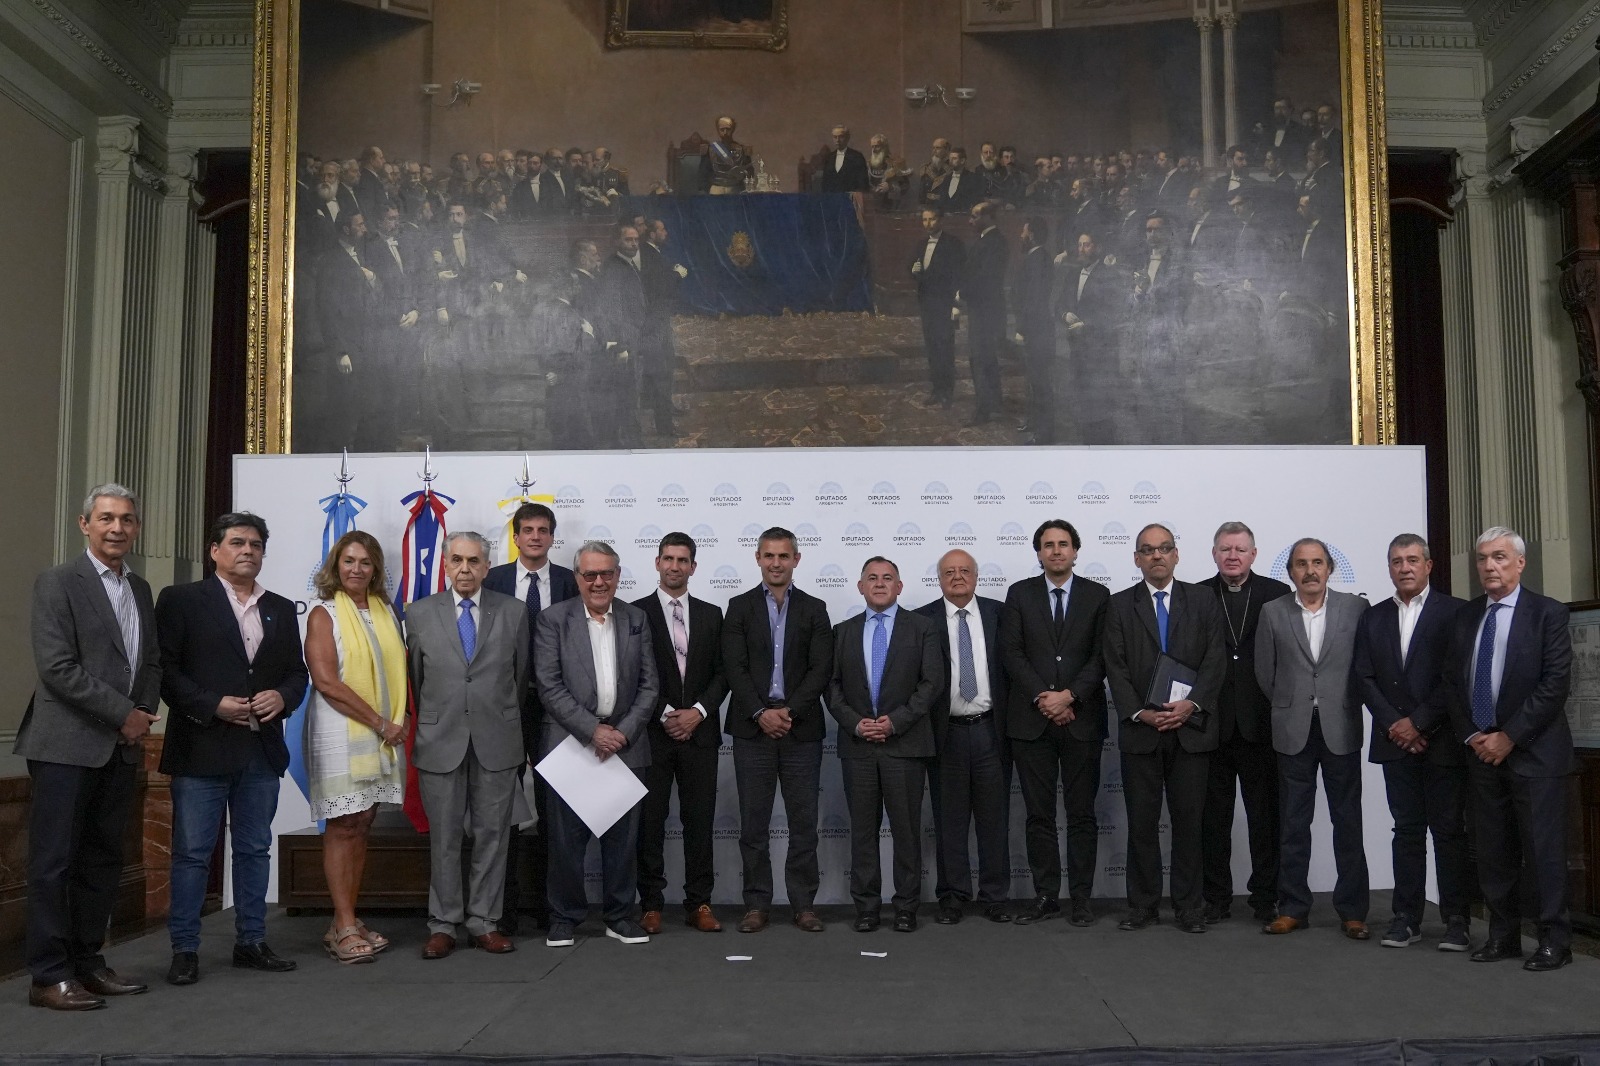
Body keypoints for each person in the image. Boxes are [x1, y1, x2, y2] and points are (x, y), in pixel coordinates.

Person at [18, 484, 160, 1010]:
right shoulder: (57, 583)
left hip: (119, 749)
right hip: (64, 746)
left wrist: (141, 713)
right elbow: (57, 670)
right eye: (106, 518)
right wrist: (124, 714)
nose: (117, 528)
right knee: (54, 862)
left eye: (126, 519)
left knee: (102, 861)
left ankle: (86, 963)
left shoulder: (140, 589)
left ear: (136, 528)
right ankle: (47, 975)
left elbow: (149, 662)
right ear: (85, 524)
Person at [157, 512, 309, 984]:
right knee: (192, 854)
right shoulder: (181, 600)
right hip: (201, 746)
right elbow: (164, 671)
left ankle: (252, 941)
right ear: (215, 550)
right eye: (238, 542)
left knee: (253, 850)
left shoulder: (280, 608)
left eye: (256, 544)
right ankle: (184, 949)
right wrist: (211, 705)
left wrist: (282, 696)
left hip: (259, 750)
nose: (248, 550)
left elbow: (296, 674)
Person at [1443, 527, 1575, 970]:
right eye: (1482, 559)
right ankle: (1503, 937)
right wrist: (1474, 735)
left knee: (1543, 855)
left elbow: (1554, 684)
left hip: (1534, 754)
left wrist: (1509, 736)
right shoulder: (1466, 618)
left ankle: (1554, 941)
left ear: (1520, 563)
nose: (1489, 566)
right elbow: (1452, 685)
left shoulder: (1548, 614)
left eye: (1499, 557)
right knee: (1493, 852)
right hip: (1481, 752)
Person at [406, 531, 528, 959]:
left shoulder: (514, 611)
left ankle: (484, 922)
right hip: (440, 740)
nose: (465, 569)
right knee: (444, 838)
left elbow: (521, 675)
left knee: (493, 837)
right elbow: (416, 684)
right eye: (456, 560)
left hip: (498, 739)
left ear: (487, 567)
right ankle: (443, 924)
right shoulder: (417, 613)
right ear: (444, 564)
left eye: (474, 561)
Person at [536, 541, 661, 947]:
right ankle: (564, 917)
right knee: (565, 840)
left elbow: (649, 685)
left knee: (623, 840)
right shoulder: (553, 619)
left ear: (618, 575)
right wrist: (593, 730)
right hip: (571, 746)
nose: (598, 581)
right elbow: (549, 686)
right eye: (590, 574)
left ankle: (621, 916)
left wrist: (621, 731)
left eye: (606, 573)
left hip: (626, 743)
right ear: (577, 578)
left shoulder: (637, 618)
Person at [1103, 523, 1226, 933]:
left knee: (1190, 824)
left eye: (1164, 548)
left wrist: (1191, 705)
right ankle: (1143, 905)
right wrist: (1140, 713)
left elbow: (1215, 659)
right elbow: (1114, 666)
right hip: (1142, 732)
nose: (1157, 556)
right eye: (1148, 550)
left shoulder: (1204, 599)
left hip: (1191, 731)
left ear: (1177, 555)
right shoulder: (1119, 605)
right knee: (1141, 823)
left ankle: (1190, 907)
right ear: (1136, 559)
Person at [1352, 533, 1470, 951]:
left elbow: (1454, 679)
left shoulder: (1456, 613)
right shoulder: (1374, 616)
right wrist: (1395, 726)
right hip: (1394, 743)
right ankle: (1407, 918)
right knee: (1405, 831)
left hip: (1442, 742)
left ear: (1429, 565)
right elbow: (1363, 677)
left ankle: (1457, 919)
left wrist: (1419, 723)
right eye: (1397, 561)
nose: (1404, 567)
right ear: (1389, 568)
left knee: (1449, 832)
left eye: (1412, 560)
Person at [1255, 538, 1371, 939]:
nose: (1310, 571)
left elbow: (1364, 668)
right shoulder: (1272, 612)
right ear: (1290, 572)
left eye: (1317, 562)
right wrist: (1294, 705)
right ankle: (1293, 908)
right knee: (1292, 824)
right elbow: (1265, 674)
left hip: (1341, 727)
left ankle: (1353, 912)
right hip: (1293, 730)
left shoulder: (1356, 609)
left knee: (1348, 823)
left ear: (1329, 569)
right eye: (1301, 564)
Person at [302, 531, 408, 964]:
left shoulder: (385, 612)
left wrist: (389, 724)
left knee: (364, 821)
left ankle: (345, 920)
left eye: (365, 562)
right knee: (343, 823)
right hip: (340, 730)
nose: (357, 569)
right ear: (335, 565)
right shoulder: (323, 614)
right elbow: (326, 682)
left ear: (376, 569)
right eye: (349, 561)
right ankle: (344, 923)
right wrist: (381, 723)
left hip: (380, 732)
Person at [722, 527, 834, 933]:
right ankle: (756, 904)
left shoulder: (816, 608)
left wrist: (788, 711)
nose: (776, 563)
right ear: (757, 559)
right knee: (754, 823)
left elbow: (822, 668)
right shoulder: (737, 607)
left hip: (800, 730)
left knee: (804, 823)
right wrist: (759, 712)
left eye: (783, 556)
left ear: (796, 560)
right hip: (753, 730)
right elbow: (733, 667)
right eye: (768, 555)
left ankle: (804, 905)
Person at [1000, 519, 1110, 927]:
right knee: (1039, 815)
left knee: (1082, 815)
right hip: (1032, 722)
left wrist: (1070, 696)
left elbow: (1102, 656)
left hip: (1082, 718)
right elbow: (1011, 653)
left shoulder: (1098, 596)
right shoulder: (1019, 594)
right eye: (1048, 545)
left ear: (1076, 550)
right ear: (1039, 552)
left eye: (1064, 544)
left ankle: (1081, 897)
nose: (1056, 551)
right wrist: (1045, 698)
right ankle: (1046, 895)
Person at [828, 558, 942, 932]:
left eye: (887, 578)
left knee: (906, 831)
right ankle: (866, 907)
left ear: (900, 586)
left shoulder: (923, 629)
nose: (879, 584)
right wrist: (855, 724)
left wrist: (895, 723)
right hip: (858, 746)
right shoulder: (842, 631)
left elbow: (931, 684)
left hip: (905, 746)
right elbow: (833, 687)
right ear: (860, 587)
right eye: (872, 578)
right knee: (862, 831)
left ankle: (906, 906)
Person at [483, 502, 578, 934]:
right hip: (503, 706)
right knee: (501, 807)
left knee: (551, 807)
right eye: (527, 530)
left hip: (556, 708)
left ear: (552, 537)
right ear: (515, 537)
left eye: (543, 529)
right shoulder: (495, 579)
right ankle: (502, 909)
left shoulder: (569, 582)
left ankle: (548, 905)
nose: (535, 536)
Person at [632, 533, 728, 934]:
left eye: (683, 560)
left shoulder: (712, 613)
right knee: (649, 822)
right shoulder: (634, 613)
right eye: (668, 559)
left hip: (701, 735)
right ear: (657, 563)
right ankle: (651, 904)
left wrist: (699, 713)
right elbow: (631, 673)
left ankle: (699, 903)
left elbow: (725, 672)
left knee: (699, 821)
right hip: (652, 734)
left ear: (693, 566)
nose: (675, 566)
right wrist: (670, 714)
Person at [1197, 522, 1291, 924]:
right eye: (1224, 549)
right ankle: (1216, 897)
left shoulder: (1276, 594)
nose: (1232, 556)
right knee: (1212, 819)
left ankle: (1265, 897)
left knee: (1264, 818)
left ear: (1254, 554)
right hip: (1211, 724)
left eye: (1240, 549)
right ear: (1213, 554)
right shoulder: (1197, 595)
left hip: (1261, 724)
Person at [916, 549, 1011, 924]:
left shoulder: (1001, 614)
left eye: (964, 571)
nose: (957, 577)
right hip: (946, 733)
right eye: (949, 572)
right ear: (938, 578)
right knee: (949, 819)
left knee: (995, 818)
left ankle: (995, 895)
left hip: (991, 730)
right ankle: (952, 896)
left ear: (976, 576)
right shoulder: (922, 620)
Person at [911, 208, 965, 407]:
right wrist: (913, 270)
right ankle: (936, 389)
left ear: (940, 220)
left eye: (931, 219)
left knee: (945, 348)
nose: (927, 224)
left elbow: (959, 275)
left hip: (945, 304)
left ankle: (947, 392)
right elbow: (914, 266)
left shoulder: (953, 244)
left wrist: (956, 305)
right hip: (927, 304)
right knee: (932, 348)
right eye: (924, 220)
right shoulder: (921, 243)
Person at [960, 201, 1008, 426]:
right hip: (983, 308)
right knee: (986, 357)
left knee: (979, 358)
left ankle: (983, 410)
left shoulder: (994, 243)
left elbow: (985, 279)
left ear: (988, 217)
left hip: (985, 310)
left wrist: (963, 294)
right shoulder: (985, 241)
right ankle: (994, 402)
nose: (971, 221)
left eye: (975, 216)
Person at [703, 115, 752, 193]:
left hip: (736, 189)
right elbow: (704, 174)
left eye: (728, 129)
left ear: (733, 129)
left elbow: (750, 173)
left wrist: (743, 174)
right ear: (718, 130)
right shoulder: (711, 149)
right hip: (716, 189)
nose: (725, 133)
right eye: (722, 129)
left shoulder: (742, 149)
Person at [819, 125, 868, 193]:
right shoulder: (829, 158)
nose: (837, 140)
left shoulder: (857, 157)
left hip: (850, 199)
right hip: (832, 199)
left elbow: (863, 183)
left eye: (841, 137)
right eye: (835, 137)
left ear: (847, 138)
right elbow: (825, 183)